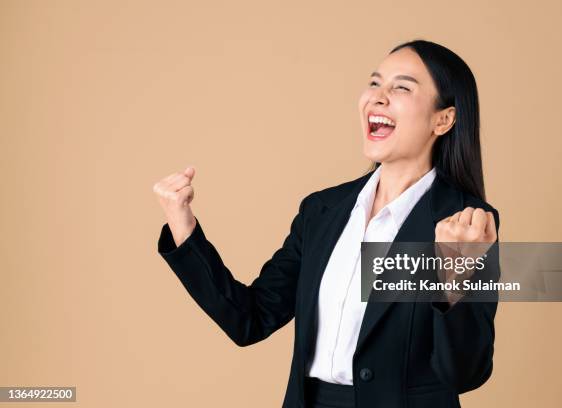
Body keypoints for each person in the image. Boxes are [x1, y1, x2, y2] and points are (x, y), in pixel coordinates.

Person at [153, 39, 500, 408]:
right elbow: (249, 319)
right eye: (374, 83)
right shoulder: (322, 211)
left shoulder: (466, 222)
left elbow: (465, 373)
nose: (378, 97)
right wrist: (182, 226)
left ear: (443, 119)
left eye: (401, 87)